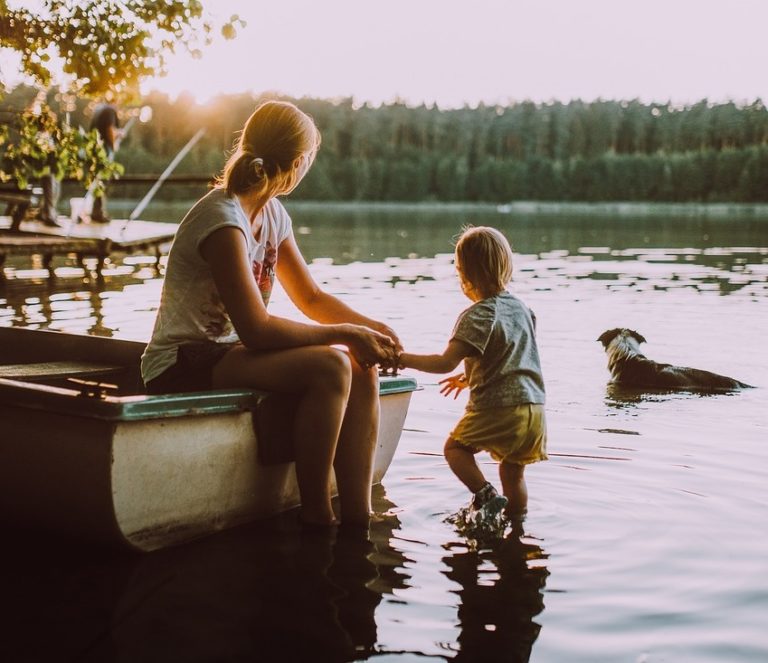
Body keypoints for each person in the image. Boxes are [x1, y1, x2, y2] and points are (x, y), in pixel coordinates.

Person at [141, 100, 400, 528]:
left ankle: (359, 518)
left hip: (230, 353)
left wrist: (370, 329)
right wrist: (345, 334)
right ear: (298, 163)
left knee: (361, 365)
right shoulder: (223, 219)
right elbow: (257, 330)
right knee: (333, 366)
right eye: (310, 158)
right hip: (181, 362)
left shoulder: (273, 214)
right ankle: (317, 517)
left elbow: (311, 297)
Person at [398, 226, 547, 520]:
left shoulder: (478, 315)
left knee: (455, 449)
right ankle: (516, 527)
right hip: (535, 411)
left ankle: (486, 494)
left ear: (464, 274)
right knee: (513, 472)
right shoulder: (523, 310)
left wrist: (401, 359)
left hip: (499, 408)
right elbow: (511, 357)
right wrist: (469, 378)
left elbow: (444, 363)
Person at [89, 102, 122, 222]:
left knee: (97, 180)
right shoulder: (110, 110)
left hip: (94, 148)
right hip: (105, 150)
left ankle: (96, 211)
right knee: (102, 181)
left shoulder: (98, 110)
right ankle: (98, 212)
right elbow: (109, 129)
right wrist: (113, 146)